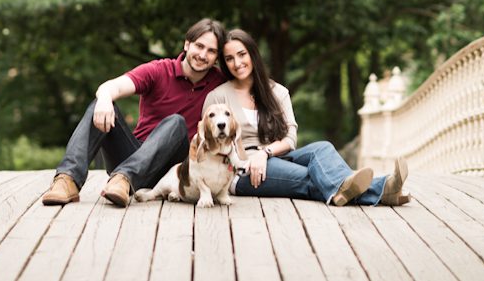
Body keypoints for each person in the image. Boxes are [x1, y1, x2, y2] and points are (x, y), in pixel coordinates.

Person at [203, 29, 410, 206]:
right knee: (316, 177)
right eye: (229, 59)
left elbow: (290, 137)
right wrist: (246, 160)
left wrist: (264, 153)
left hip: (273, 156)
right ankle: (385, 189)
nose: (237, 63)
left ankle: (372, 191)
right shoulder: (218, 97)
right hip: (242, 169)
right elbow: (207, 140)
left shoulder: (278, 92)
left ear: (253, 55)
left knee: (322, 148)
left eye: (242, 54)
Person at [42, 18, 227, 207]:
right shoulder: (158, 70)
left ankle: (124, 178)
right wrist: (105, 99)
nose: (203, 55)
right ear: (187, 44)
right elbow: (112, 86)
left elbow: (246, 96)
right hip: (130, 159)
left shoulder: (219, 83)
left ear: (217, 56)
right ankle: (68, 179)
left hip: (172, 171)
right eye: (199, 46)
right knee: (103, 104)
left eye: (211, 51)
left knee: (176, 123)